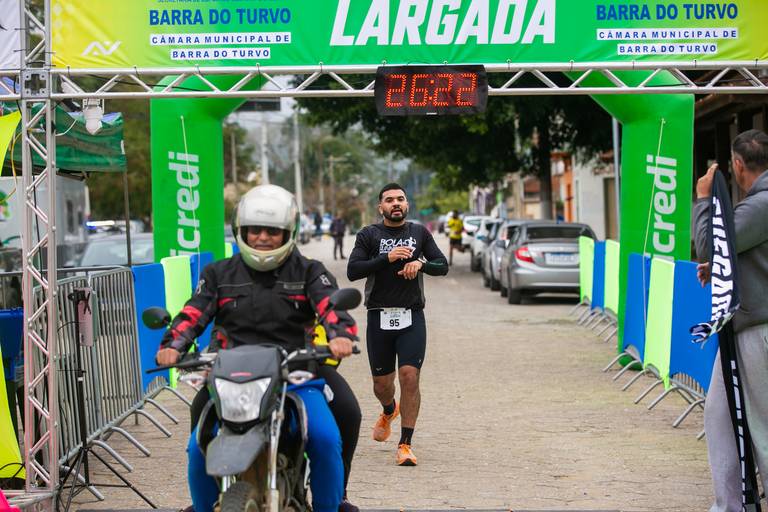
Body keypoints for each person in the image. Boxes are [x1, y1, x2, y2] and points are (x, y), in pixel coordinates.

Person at [155, 185, 362, 512]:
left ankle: (331, 505)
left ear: (288, 233)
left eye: (272, 231)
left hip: (295, 375)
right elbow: (193, 313)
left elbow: (331, 307)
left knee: (326, 436)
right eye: (254, 230)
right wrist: (173, 344)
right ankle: (202, 506)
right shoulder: (218, 274)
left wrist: (341, 336)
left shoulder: (310, 272)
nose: (262, 237)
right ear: (241, 230)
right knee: (198, 446)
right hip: (230, 378)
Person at [347, 183, 448, 466]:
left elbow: (442, 265)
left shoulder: (419, 233)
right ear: (380, 207)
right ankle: (389, 409)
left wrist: (421, 264)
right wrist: (386, 258)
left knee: (409, 376)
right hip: (379, 315)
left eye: (400, 199)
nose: (395, 203)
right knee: (382, 385)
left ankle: (405, 444)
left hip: (411, 315)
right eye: (389, 200)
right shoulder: (369, 235)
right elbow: (353, 270)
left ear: (407, 205)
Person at [694, 129, 768, 512]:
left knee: (763, 429)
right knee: (719, 417)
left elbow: (711, 244)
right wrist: (723, 268)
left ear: (738, 166)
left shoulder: (760, 205)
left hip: (757, 329)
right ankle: (730, 505)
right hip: (740, 326)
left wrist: (703, 200)